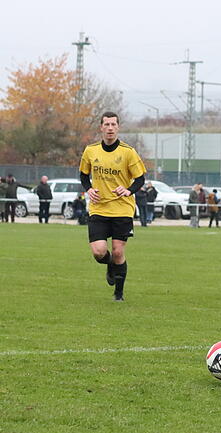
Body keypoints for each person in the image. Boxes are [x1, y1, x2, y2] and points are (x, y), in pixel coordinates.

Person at [78, 112, 146, 302]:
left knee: (118, 251)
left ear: (118, 127)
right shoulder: (90, 151)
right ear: (101, 127)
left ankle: (119, 293)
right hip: (99, 207)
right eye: (106, 124)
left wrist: (128, 190)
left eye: (113, 124)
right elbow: (83, 175)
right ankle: (110, 265)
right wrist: (88, 189)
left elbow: (140, 179)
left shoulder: (128, 152)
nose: (110, 128)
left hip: (122, 208)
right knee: (99, 251)